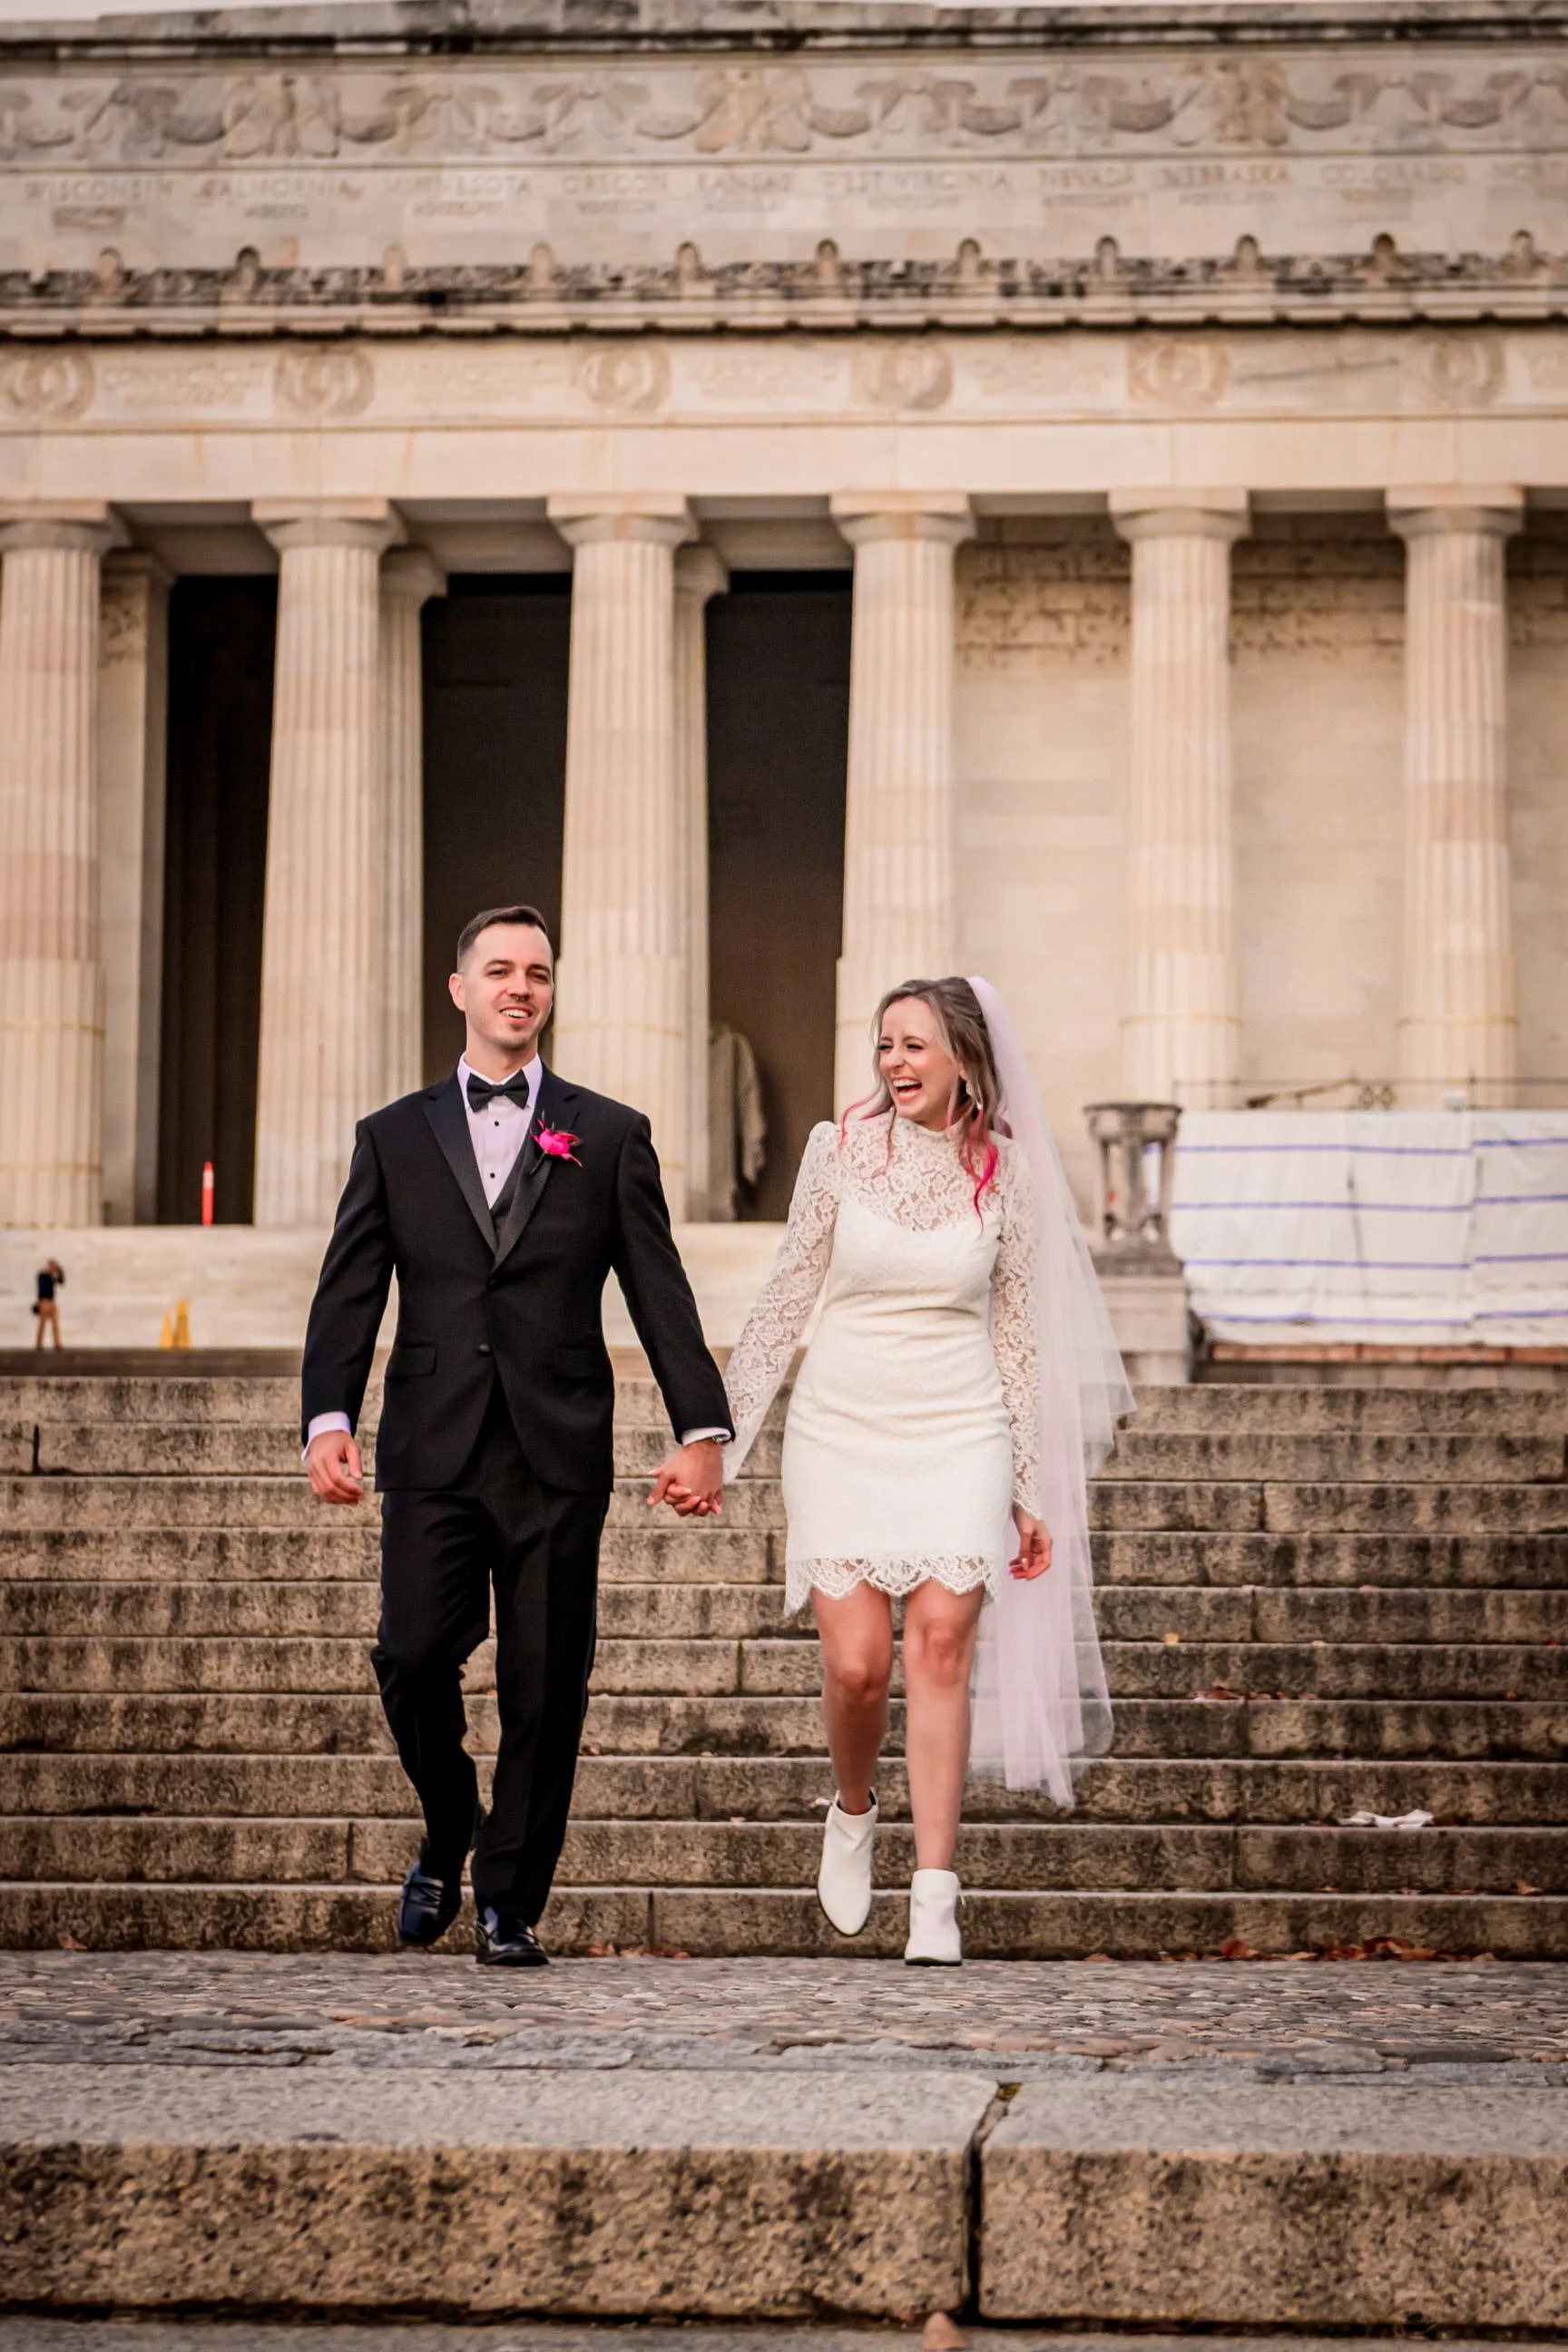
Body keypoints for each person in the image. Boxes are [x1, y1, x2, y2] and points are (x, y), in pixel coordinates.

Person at [301, 905, 733, 1966]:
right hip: (432, 1443)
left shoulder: (612, 1133)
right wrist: (328, 1415)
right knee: (410, 1656)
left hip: (557, 1447)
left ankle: (509, 1898)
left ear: (551, 990)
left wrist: (703, 1427)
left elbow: (658, 1291)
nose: (519, 988)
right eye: (498, 970)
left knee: (547, 1682)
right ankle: (452, 1824)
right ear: (459, 989)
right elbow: (350, 1288)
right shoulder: (392, 1137)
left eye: (537, 972)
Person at [722, 976, 1131, 1965]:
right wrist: (719, 1438)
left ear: (962, 1061)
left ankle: (937, 1893)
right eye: (885, 1046)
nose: (894, 1063)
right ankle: (854, 1811)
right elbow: (784, 1299)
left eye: (914, 1046)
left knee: (942, 1641)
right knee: (858, 1666)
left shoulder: (1010, 1173)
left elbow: (1020, 1334)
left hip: (962, 1423)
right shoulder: (837, 1150)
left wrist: (1030, 1488)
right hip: (844, 1424)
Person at [34, 1259, 64, 1348]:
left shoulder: (53, 1276)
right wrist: (51, 1277)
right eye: (52, 1266)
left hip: (52, 1301)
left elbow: (61, 1281)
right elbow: (44, 1286)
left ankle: (57, 1344)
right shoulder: (42, 1275)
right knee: (42, 1324)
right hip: (44, 1301)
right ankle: (39, 1344)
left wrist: (59, 1272)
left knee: (55, 1324)